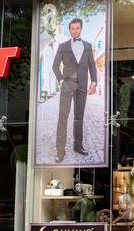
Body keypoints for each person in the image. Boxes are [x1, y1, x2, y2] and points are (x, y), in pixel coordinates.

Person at [52, 18, 97, 163]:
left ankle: (78, 146)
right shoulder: (62, 46)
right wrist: (61, 80)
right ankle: (60, 151)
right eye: (72, 28)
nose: (75, 31)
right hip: (68, 84)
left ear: (81, 28)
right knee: (63, 117)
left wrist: (94, 82)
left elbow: (92, 65)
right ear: (69, 30)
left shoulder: (88, 46)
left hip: (82, 86)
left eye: (77, 28)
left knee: (79, 117)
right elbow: (55, 65)